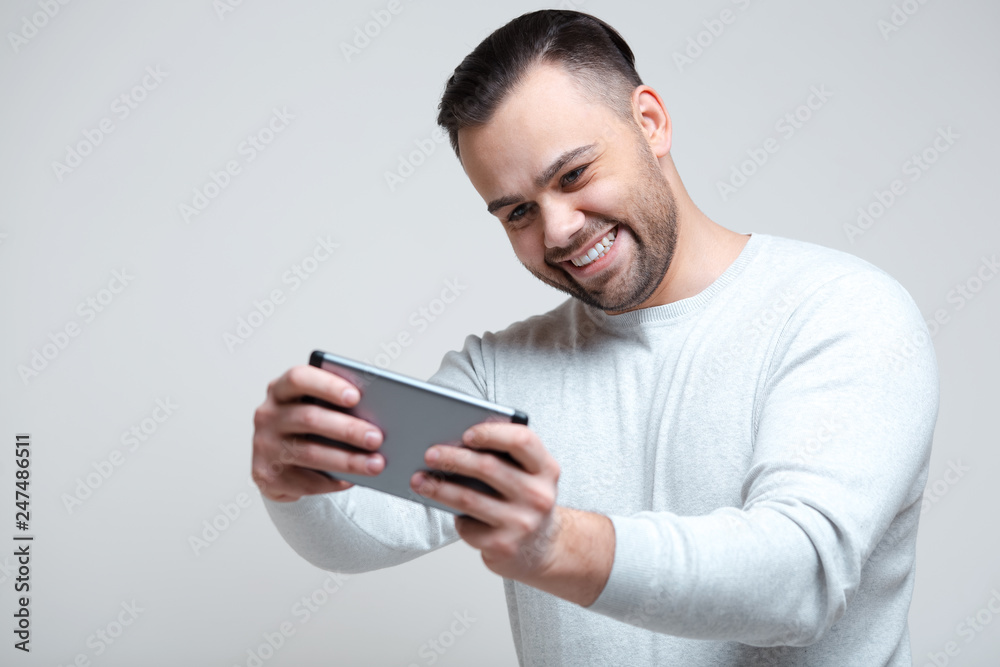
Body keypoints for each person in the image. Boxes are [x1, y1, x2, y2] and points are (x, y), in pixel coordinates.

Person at [251, 9, 939, 666]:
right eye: (518, 211)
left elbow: (799, 578)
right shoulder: (499, 372)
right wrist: (302, 480)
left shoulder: (842, 311)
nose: (557, 231)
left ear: (650, 121)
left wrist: (558, 543)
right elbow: (361, 529)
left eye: (574, 175)